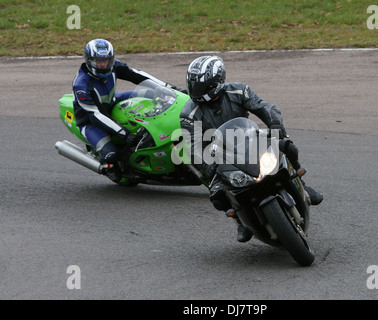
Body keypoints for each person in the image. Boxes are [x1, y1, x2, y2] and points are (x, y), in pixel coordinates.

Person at [180, 55, 323, 242]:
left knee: (288, 147)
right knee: (218, 197)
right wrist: (207, 165)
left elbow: (265, 107)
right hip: (218, 156)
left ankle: (301, 185)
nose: (194, 90)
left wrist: (275, 124)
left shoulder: (239, 90)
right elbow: (191, 146)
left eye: (199, 86)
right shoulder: (188, 113)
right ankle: (241, 220)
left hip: (249, 138)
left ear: (217, 81)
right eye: (192, 85)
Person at [72, 38, 180, 181]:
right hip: (90, 120)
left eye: (107, 60)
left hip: (112, 101)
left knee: (151, 94)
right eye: (99, 61)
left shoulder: (113, 66)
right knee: (111, 154)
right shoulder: (82, 85)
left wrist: (167, 88)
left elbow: (137, 75)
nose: (104, 65)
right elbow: (95, 115)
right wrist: (124, 133)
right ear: (89, 60)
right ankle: (112, 169)